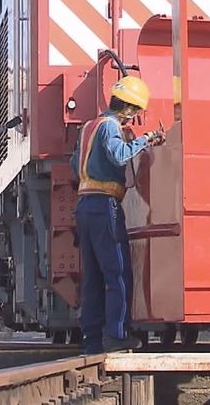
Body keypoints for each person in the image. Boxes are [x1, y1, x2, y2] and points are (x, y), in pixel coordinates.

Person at [70, 75, 165, 354]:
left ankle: (92, 339)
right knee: (118, 272)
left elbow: (76, 162)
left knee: (93, 277)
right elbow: (119, 155)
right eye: (135, 113)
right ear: (130, 108)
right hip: (105, 208)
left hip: (85, 206)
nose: (132, 119)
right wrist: (145, 140)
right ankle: (117, 334)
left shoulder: (89, 126)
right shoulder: (110, 126)